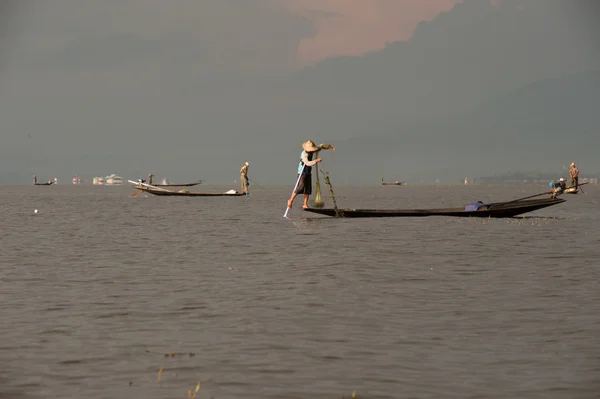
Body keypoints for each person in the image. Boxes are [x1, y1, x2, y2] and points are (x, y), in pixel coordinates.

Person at [287, 140, 335, 210]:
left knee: (308, 189)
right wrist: (316, 161)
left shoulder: (312, 150)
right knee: (301, 187)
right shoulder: (304, 155)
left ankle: (305, 204)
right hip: (302, 172)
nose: (311, 151)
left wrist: (330, 147)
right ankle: (290, 200)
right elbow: (307, 163)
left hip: (308, 172)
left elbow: (321, 146)